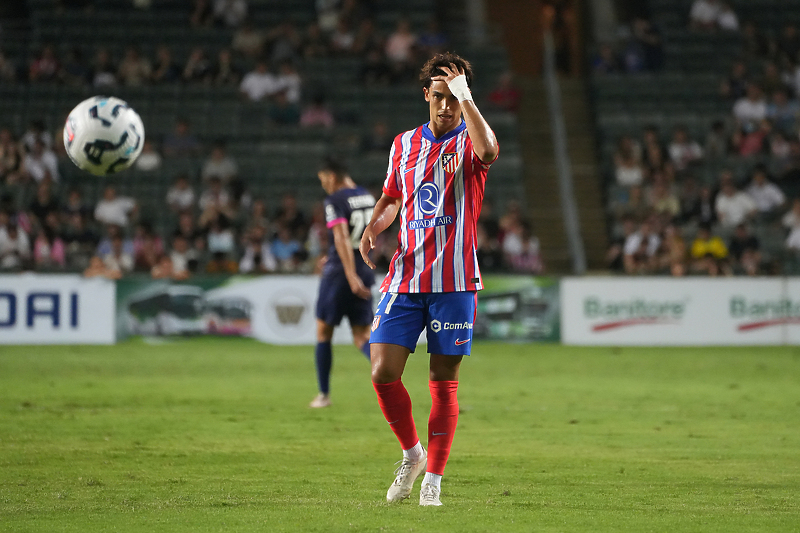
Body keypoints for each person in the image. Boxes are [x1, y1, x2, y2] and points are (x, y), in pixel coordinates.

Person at [358, 52, 498, 507]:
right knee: (382, 371)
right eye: (439, 97)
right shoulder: (403, 144)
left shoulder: (469, 140)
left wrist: (468, 100)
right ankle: (413, 454)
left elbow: (490, 151)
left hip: (454, 283)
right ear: (426, 95)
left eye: (453, 99)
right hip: (405, 277)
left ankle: (433, 480)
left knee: (443, 381)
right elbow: (393, 197)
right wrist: (375, 224)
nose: (445, 107)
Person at [309, 157, 377, 409]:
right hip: (365, 267)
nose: (324, 185)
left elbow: (340, 237)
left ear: (333, 175)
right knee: (362, 336)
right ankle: (390, 379)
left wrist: (348, 274)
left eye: (324, 179)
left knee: (323, 332)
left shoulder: (334, 200)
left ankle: (323, 395)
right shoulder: (368, 197)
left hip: (340, 275)